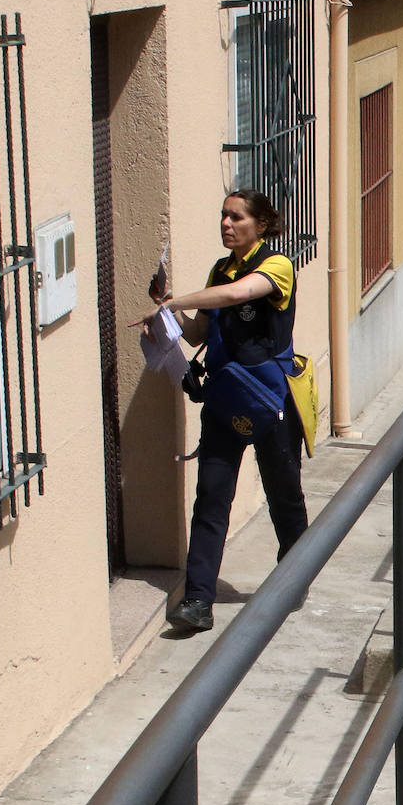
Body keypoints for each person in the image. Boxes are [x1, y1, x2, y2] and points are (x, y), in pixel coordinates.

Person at [136, 190, 308, 633]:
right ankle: (198, 600)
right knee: (211, 498)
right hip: (224, 401)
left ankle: (296, 572)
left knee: (283, 494)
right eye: (223, 216)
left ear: (261, 225)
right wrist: (167, 321)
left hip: (269, 401)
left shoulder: (276, 266)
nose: (226, 224)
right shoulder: (220, 268)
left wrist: (180, 301)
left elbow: (236, 295)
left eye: (236, 217)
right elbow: (199, 332)